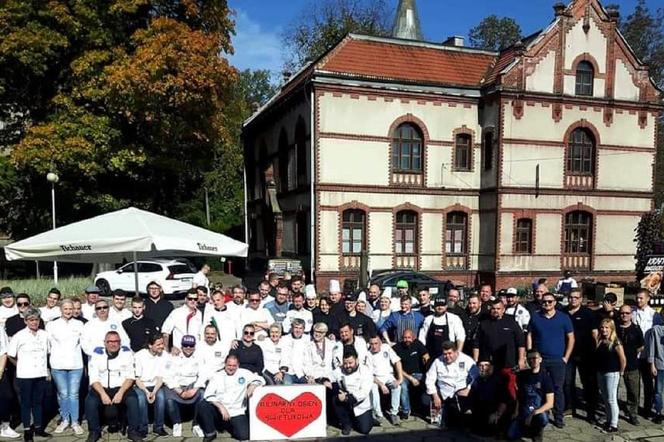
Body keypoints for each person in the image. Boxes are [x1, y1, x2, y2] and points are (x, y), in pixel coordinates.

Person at [526, 292, 574, 428]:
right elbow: (529, 335)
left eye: (550, 301)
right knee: (538, 388)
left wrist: (566, 357)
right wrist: (530, 354)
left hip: (557, 360)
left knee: (558, 389)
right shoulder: (535, 317)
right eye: (544, 302)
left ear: (554, 302)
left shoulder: (563, 318)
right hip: (539, 360)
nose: (547, 304)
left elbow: (571, 337)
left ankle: (559, 417)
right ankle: (541, 415)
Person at [84, 331, 141, 442]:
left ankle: (133, 431)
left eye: (116, 341)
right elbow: (94, 378)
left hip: (121, 387)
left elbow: (130, 377)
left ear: (120, 343)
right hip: (102, 387)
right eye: (110, 341)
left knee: (133, 400)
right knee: (90, 401)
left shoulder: (127, 354)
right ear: (104, 343)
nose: (113, 344)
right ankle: (94, 432)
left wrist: (120, 393)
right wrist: (103, 394)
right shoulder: (97, 354)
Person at [196, 354, 265, 441]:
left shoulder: (244, 373)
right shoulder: (217, 375)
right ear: (225, 364)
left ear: (238, 365)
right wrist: (221, 407)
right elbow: (208, 395)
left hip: (236, 411)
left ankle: (228, 425)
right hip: (219, 410)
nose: (231, 368)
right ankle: (211, 433)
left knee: (244, 436)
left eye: (234, 366)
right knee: (203, 405)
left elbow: (261, 379)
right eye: (229, 365)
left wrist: (253, 385)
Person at [7, 308, 50, 441]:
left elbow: (48, 352)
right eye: (31, 320)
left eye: (36, 319)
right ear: (26, 321)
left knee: (38, 402)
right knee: (26, 403)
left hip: (40, 373)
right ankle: (27, 430)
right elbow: (11, 355)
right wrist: (20, 366)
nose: (34, 322)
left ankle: (38, 428)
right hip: (25, 375)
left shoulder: (44, 334)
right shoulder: (19, 336)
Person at [474, 299, 526, 405]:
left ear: (503, 310)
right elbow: (476, 344)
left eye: (498, 309)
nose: (495, 311)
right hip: (489, 365)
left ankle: (512, 413)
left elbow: (521, 343)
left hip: (508, 364)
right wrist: (476, 360)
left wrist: (521, 359)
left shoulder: (512, 322)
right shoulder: (484, 323)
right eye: (493, 309)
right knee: (489, 392)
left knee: (510, 391)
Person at [46, 299, 85, 435]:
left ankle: (75, 421)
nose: (68, 311)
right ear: (61, 309)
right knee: (63, 394)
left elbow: (84, 344)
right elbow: (48, 345)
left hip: (76, 365)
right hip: (57, 365)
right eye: (66, 309)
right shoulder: (52, 325)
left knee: (73, 394)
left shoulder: (79, 324)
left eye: (71, 309)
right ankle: (64, 420)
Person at [425, 340, 479, 429]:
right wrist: (435, 396)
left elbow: (475, 375)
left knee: (461, 422)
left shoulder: (466, 360)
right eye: (445, 354)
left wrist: (468, 388)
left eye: (450, 353)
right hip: (443, 393)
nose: (447, 356)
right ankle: (438, 420)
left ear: (456, 352)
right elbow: (429, 379)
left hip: (461, 393)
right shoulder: (437, 361)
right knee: (426, 398)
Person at [564, 288, 599, 422]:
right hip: (568, 354)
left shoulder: (588, 313)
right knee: (568, 383)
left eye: (576, 297)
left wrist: (596, 352)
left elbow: (595, 333)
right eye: (571, 297)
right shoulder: (563, 312)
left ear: (581, 299)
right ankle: (569, 407)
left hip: (586, 354)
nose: (573, 299)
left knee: (589, 384)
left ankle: (591, 411)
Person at [163, 335, 206, 438]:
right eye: (185, 345)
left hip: (192, 384)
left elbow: (203, 374)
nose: (188, 348)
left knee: (203, 395)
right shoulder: (173, 357)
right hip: (177, 385)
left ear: (194, 347)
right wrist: (179, 391)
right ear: (181, 346)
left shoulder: (199, 357)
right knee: (169, 399)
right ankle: (176, 423)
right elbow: (167, 376)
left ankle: (196, 424)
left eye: (191, 345)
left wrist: (195, 389)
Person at [508, 350, 554, 442]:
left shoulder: (546, 378)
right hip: (524, 410)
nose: (532, 361)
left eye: (534, 358)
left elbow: (550, 403)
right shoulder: (523, 375)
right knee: (511, 435)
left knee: (542, 419)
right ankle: (525, 427)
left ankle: (537, 433)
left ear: (540, 359)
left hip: (538, 411)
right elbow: (519, 396)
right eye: (529, 359)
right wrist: (516, 411)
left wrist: (534, 413)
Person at [331, 348, 374, 435]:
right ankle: (346, 424)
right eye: (345, 363)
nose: (348, 366)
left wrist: (347, 397)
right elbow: (330, 376)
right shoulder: (340, 369)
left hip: (360, 403)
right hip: (344, 400)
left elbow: (364, 392)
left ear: (357, 360)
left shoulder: (366, 371)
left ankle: (369, 420)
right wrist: (334, 387)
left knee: (364, 430)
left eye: (350, 363)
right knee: (335, 398)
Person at [133, 334, 169, 437]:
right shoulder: (139, 356)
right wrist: (146, 392)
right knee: (141, 399)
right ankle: (142, 428)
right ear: (150, 345)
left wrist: (153, 392)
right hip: (141, 385)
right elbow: (137, 379)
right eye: (158, 344)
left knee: (161, 397)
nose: (161, 346)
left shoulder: (164, 355)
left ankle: (158, 427)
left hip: (156, 385)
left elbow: (160, 377)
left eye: (162, 343)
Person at [633, 288, 661, 419]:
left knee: (648, 384)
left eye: (641, 298)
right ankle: (633, 407)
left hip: (648, 355)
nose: (638, 300)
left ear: (648, 298)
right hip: (634, 354)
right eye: (637, 298)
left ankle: (648, 408)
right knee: (633, 384)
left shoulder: (654, 315)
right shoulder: (632, 313)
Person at [595, 318, 626, 433]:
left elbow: (623, 359)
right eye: (602, 327)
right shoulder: (600, 340)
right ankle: (608, 420)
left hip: (612, 373)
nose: (604, 329)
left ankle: (614, 424)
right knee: (605, 398)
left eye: (607, 327)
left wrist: (621, 371)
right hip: (601, 372)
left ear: (611, 329)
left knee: (611, 399)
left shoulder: (616, 341)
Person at [616, 305, 644, 425]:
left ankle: (633, 413)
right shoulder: (615, 328)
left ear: (631, 314)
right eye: (622, 313)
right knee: (613, 391)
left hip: (632, 365)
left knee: (633, 391)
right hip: (615, 365)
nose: (624, 315)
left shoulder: (636, 329)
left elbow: (641, 346)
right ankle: (613, 413)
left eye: (627, 313)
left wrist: (630, 354)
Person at [393, 329, 429, 420]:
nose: (407, 340)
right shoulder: (397, 348)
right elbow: (397, 367)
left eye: (409, 337)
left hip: (419, 373)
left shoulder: (417, 344)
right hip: (404, 375)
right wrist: (411, 378)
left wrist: (428, 368)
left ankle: (426, 410)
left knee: (428, 384)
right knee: (403, 386)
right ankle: (406, 410)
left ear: (413, 337)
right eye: (405, 338)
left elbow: (426, 356)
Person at [367, 335, 403, 425]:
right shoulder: (368, 354)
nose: (374, 346)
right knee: (373, 388)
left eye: (376, 343)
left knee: (397, 387)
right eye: (372, 344)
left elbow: (397, 361)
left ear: (380, 343)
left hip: (389, 376)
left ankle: (394, 413)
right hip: (376, 378)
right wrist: (381, 385)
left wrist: (400, 378)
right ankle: (379, 414)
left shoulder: (386, 348)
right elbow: (370, 375)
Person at [471, 359, 509, 437]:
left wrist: (498, 414)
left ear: (491, 367)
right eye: (481, 366)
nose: (483, 368)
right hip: (481, 411)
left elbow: (504, 401)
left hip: (495, 412)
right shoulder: (477, 380)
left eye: (486, 365)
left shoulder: (499, 380)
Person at [161, 290, 203, 355]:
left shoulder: (199, 314)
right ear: (186, 299)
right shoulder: (176, 312)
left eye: (195, 299)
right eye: (190, 299)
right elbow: (166, 332)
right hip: (179, 352)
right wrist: (167, 349)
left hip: (195, 352)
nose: (193, 301)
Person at [0, 321, 19, 439]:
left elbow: (4, 351)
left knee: (6, 396)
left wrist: (1, 370)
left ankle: (5, 426)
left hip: (0, 368)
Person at [279, 318, 309, 384]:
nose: (298, 330)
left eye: (300, 328)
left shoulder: (307, 339)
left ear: (304, 329)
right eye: (296, 328)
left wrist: (309, 374)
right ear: (292, 328)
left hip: (302, 373)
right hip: (289, 372)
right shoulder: (284, 339)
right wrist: (283, 371)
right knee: (287, 385)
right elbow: (284, 356)